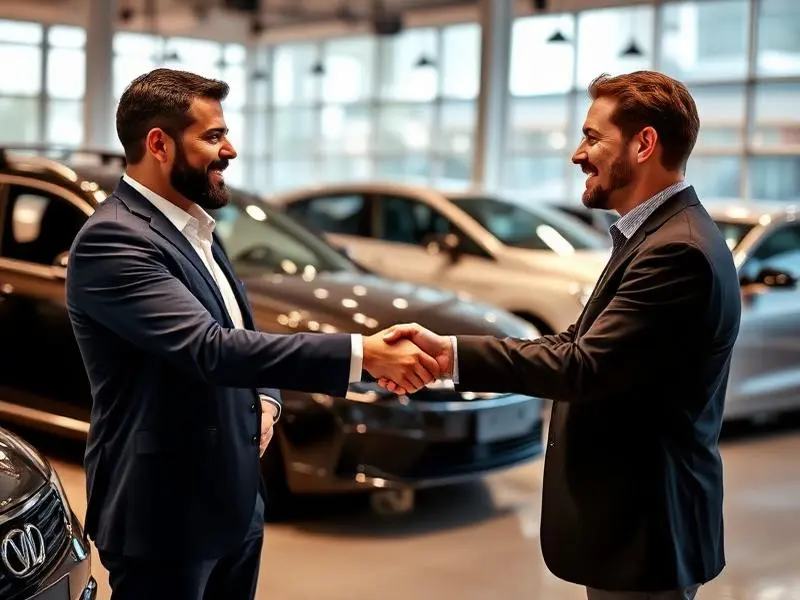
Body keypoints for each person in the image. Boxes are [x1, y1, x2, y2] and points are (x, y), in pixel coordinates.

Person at [65, 68, 440, 600]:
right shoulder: (114, 239)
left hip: (235, 500)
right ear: (159, 144)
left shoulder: (194, 228)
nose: (231, 150)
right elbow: (208, 348)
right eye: (213, 136)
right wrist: (363, 354)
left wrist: (265, 397)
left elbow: (237, 329)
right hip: (164, 511)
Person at [379, 71, 742, 600]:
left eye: (593, 137)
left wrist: (450, 363)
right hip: (634, 528)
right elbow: (577, 343)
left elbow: (582, 367)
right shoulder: (656, 234)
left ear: (643, 144)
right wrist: (451, 352)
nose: (578, 154)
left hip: (646, 531)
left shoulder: (676, 250)